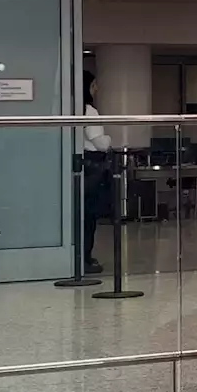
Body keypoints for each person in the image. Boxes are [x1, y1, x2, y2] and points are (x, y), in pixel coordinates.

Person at [81, 71, 112, 274]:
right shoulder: (89, 111)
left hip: (78, 164)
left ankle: (78, 256)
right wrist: (109, 139)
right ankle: (86, 257)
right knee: (89, 216)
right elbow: (100, 143)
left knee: (78, 215)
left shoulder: (69, 109)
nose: (97, 89)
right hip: (92, 167)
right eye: (94, 85)